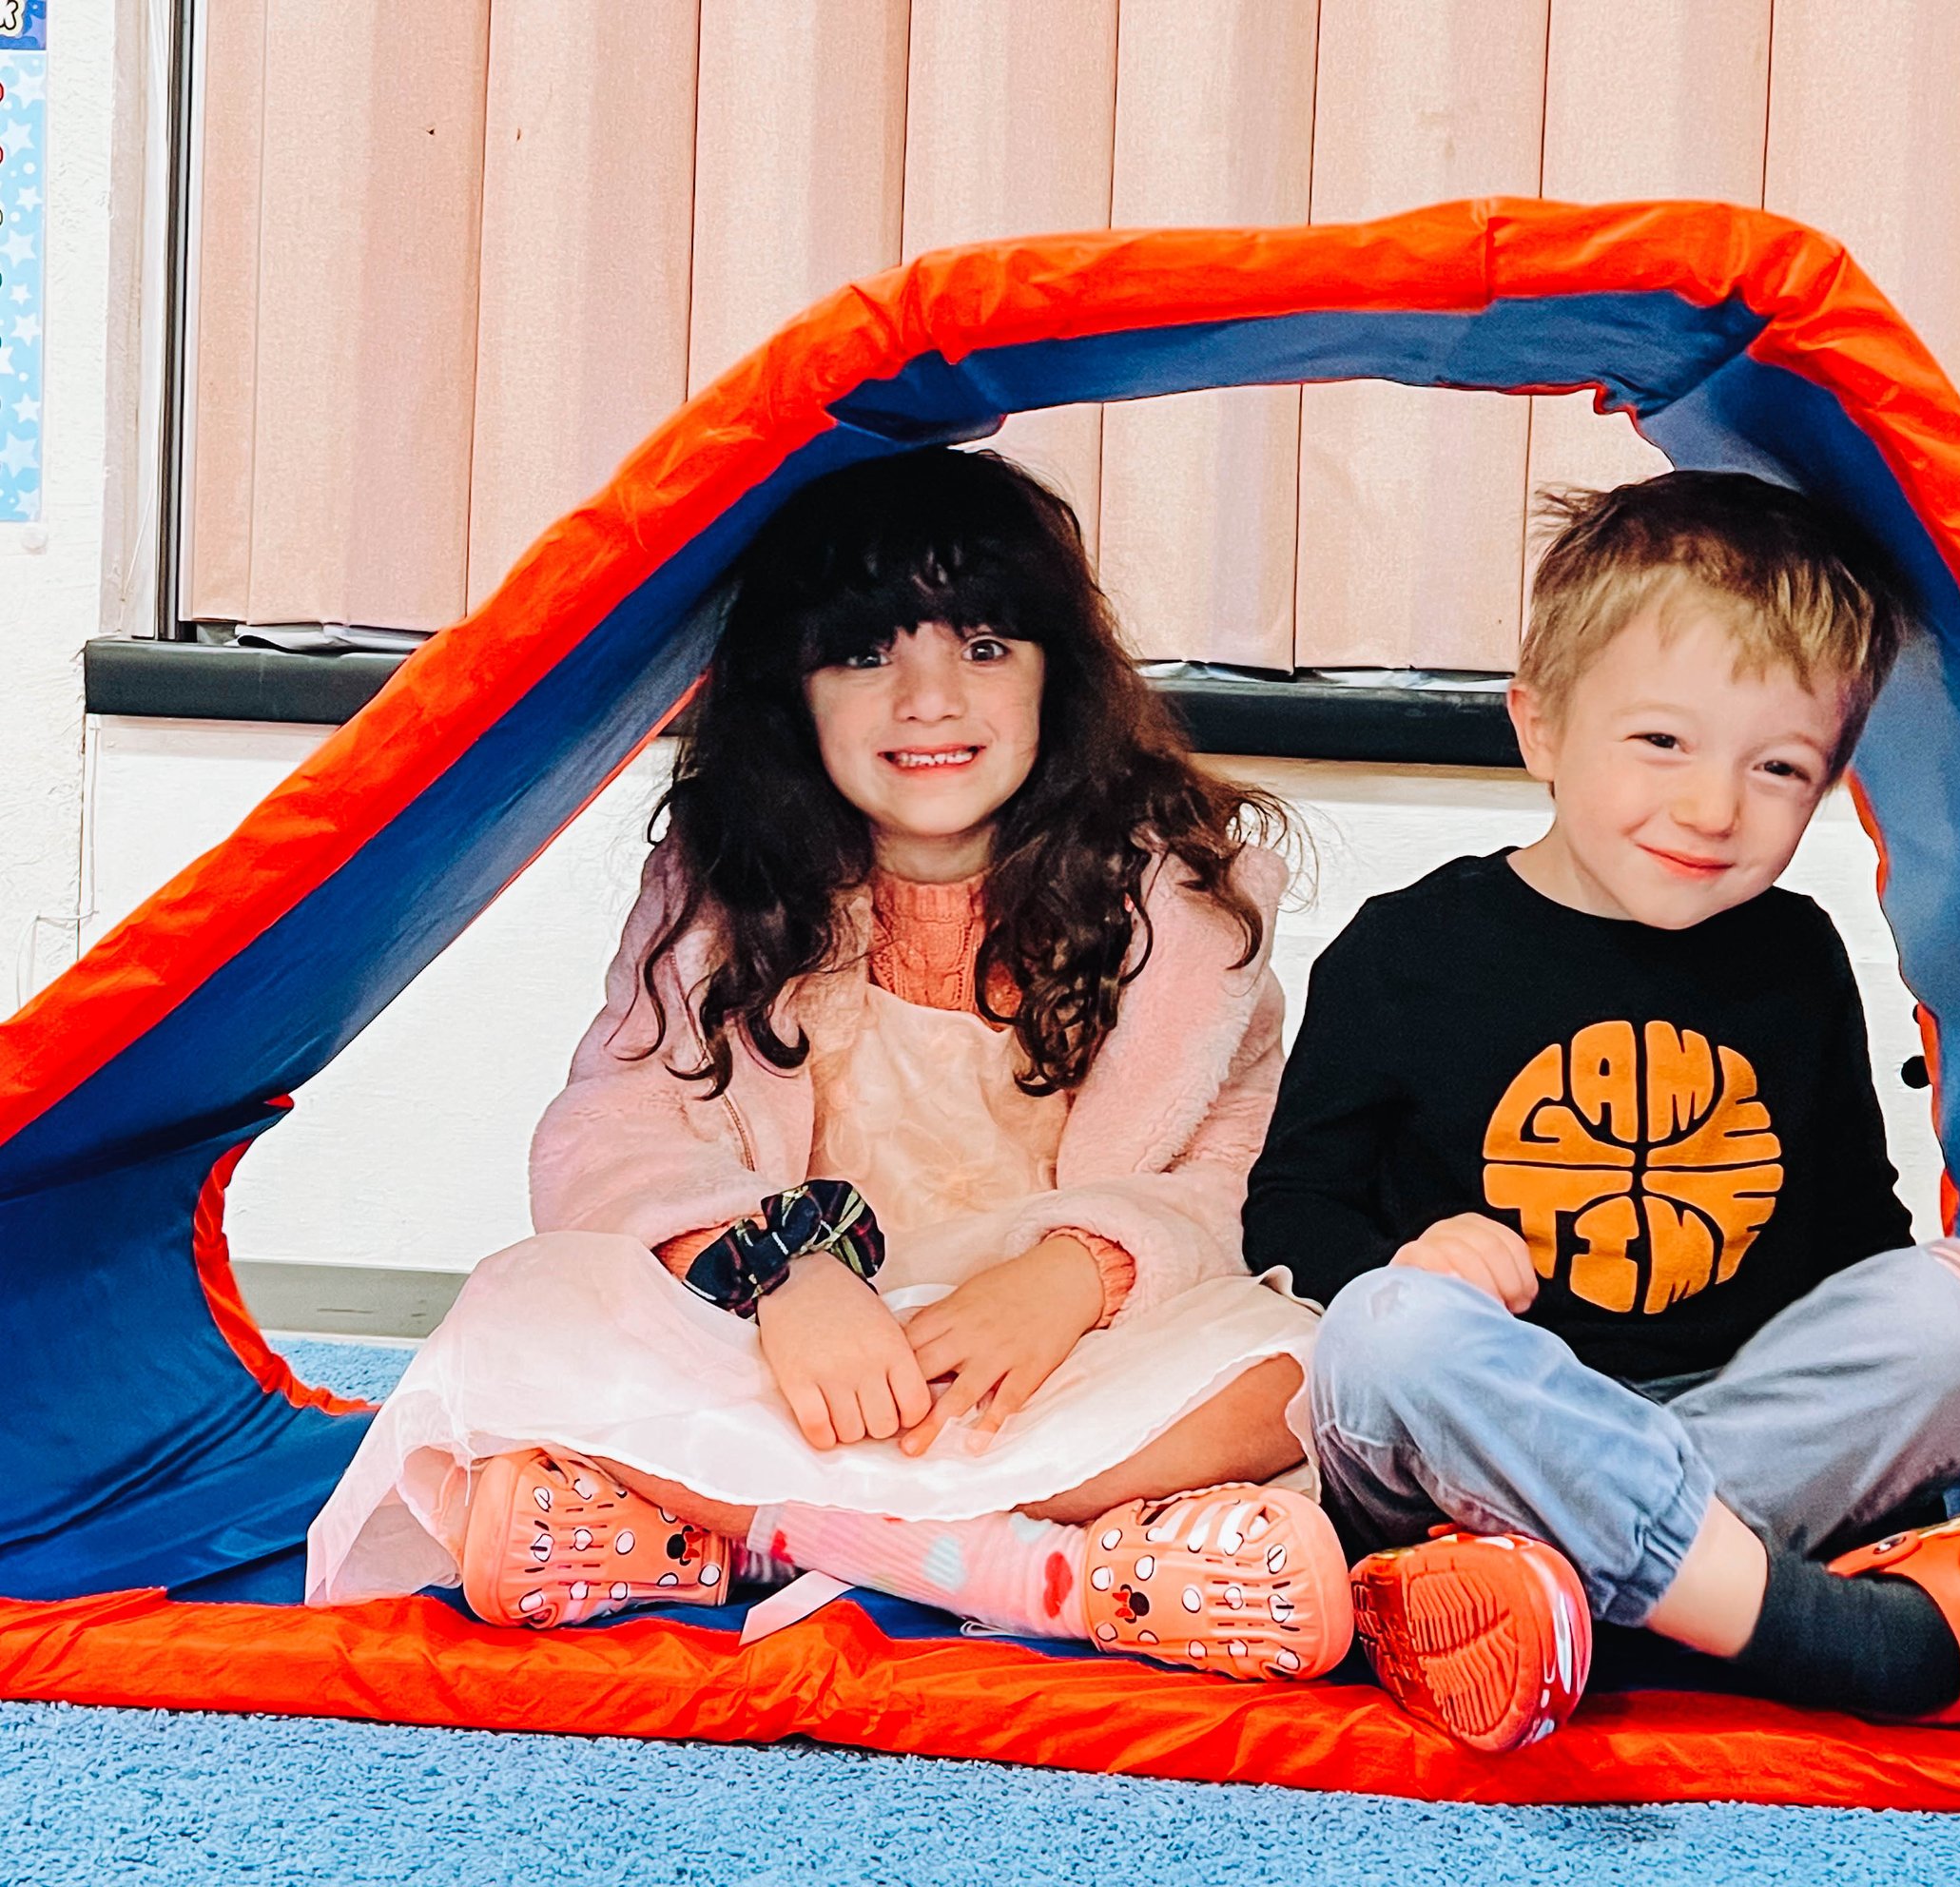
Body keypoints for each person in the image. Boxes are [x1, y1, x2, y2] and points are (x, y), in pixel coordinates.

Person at [305, 448, 1351, 1684]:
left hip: (1043, 1370)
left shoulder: (1175, 907)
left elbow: (1237, 1169)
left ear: (1056, 677)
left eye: (984, 647)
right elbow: (616, 1130)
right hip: (782, 1363)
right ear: (789, 690)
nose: (929, 701)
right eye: (866, 655)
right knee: (521, 1306)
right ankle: (1056, 1571)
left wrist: (1080, 1272)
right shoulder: (725, 887)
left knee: (1304, 1366)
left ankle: (725, 1539)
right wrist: (776, 1274)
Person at [1243, 472, 1960, 1752]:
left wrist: (1929, 1405)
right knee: (1386, 1328)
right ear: (1540, 728)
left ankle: (1565, 1603)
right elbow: (1289, 1210)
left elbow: (1849, 1232)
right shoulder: (1403, 948)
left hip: (1729, 1409)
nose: (1713, 810)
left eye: (1780, 768)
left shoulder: (1795, 956)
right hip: (1466, 1444)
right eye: (1662, 743)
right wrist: (1408, 1262)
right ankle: (1814, 1629)